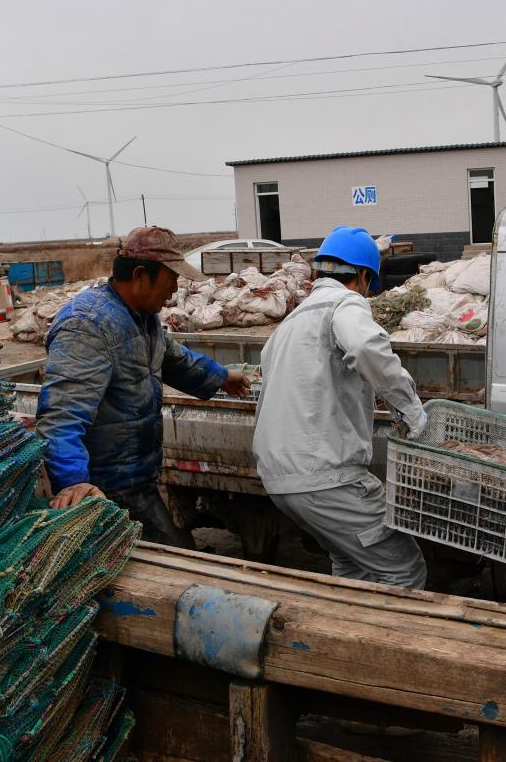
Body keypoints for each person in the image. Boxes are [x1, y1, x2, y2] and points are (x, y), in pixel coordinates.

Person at [37, 226, 249, 547]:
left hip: (138, 478)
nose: (175, 289)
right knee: (174, 564)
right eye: (171, 278)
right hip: (104, 488)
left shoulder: (143, 318)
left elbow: (175, 359)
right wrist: (74, 484)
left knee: (175, 554)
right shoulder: (88, 325)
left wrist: (221, 376)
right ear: (140, 275)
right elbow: (62, 415)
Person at [253, 226, 428, 588]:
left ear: (319, 271)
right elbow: (366, 348)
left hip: (280, 479)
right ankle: (387, 644)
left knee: (352, 566)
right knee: (403, 568)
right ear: (364, 276)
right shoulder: (343, 304)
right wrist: (412, 412)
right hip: (325, 478)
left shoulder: (287, 325)